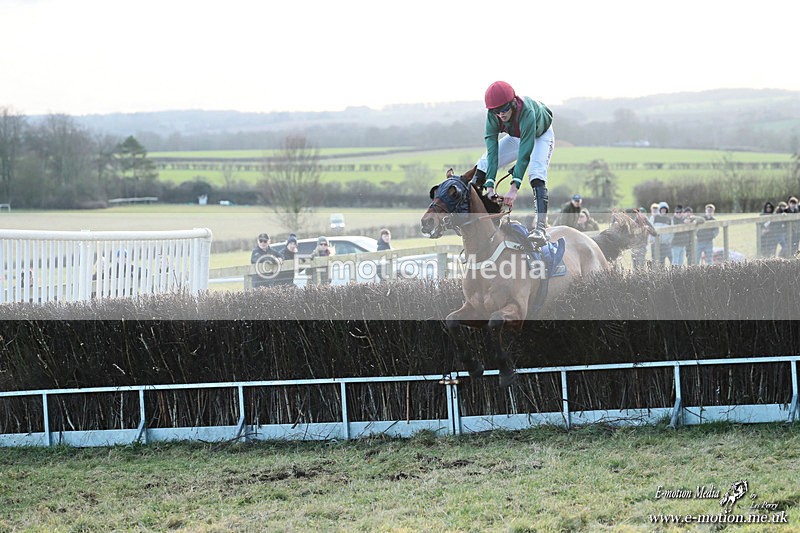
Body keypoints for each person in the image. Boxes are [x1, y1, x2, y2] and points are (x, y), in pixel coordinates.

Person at [473, 81, 555, 246]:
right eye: (496, 111)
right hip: (517, 136)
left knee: (536, 174)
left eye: (504, 109)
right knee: (483, 163)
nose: (500, 115)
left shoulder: (526, 111)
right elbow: (492, 153)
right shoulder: (493, 116)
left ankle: (540, 229)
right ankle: (474, 215)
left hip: (540, 135)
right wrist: (489, 185)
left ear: (512, 103)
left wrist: (513, 189)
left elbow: (524, 155)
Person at [652, 201, 673, 267]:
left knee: (670, 259)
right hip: (656, 244)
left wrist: (669, 240)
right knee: (657, 261)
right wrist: (652, 240)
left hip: (666, 244)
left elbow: (672, 232)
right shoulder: (654, 218)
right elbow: (651, 229)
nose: (663, 211)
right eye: (662, 209)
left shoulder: (669, 219)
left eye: (665, 209)